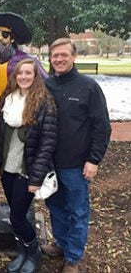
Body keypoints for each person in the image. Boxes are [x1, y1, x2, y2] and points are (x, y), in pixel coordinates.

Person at [43, 38, 111, 273]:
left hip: (76, 165)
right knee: (56, 207)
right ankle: (61, 244)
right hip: (50, 164)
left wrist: (94, 159)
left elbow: (102, 126)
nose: (59, 59)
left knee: (78, 211)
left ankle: (73, 257)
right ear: (50, 59)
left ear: (74, 57)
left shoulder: (88, 87)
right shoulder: (46, 86)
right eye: (55, 56)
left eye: (64, 55)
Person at [0, 58, 57, 273]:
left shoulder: (44, 103)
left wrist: (35, 177)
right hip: (7, 169)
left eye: (28, 73)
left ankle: (34, 251)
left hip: (26, 170)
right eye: (20, 73)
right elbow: (0, 135)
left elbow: (47, 143)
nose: (23, 77)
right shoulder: (8, 99)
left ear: (35, 75)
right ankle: (22, 251)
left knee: (17, 216)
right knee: (16, 212)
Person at [0, 12, 47, 100]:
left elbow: (46, 85)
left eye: (5, 35)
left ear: (12, 39)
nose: (0, 38)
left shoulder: (27, 60)